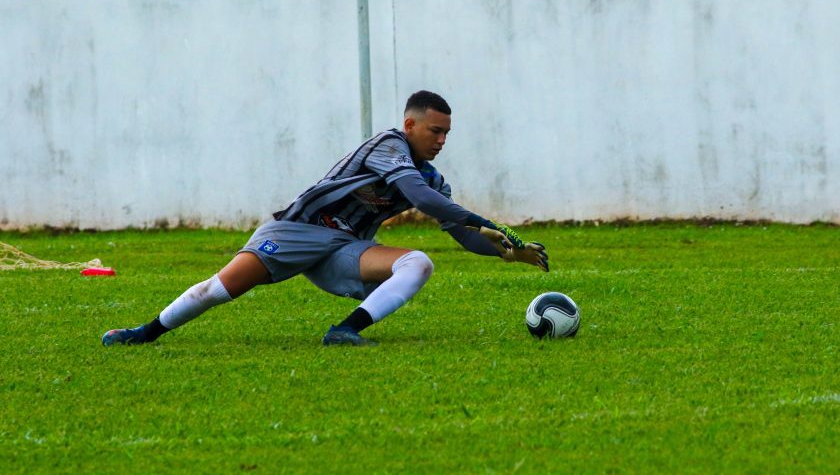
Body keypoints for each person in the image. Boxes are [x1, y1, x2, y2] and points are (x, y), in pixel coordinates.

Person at [102, 90, 548, 347]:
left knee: (418, 263)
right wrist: (484, 219)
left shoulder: (433, 178)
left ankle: (345, 331)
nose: (442, 140)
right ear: (410, 125)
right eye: (435, 130)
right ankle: (144, 333)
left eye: (447, 133)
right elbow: (419, 198)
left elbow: (461, 233)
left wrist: (503, 251)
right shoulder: (388, 146)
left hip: (345, 249)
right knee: (218, 289)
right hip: (297, 232)